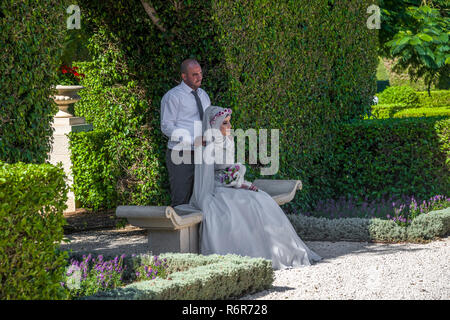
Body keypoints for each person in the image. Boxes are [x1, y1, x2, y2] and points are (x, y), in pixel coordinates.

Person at [175, 105, 322, 270]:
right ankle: (252, 254)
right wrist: (241, 183)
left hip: (233, 184)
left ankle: (281, 251)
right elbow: (214, 176)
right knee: (247, 205)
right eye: (225, 123)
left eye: (229, 122)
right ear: (215, 126)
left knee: (263, 199)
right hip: (219, 188)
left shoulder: (228, 140)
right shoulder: (206, 145)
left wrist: (242, 182)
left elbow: (231, 169)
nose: (230, 127)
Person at [161, 58, 211, 207]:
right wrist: (191, 140)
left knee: (202, 197)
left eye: (200, 73)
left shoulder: (204, 95)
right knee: (181, 198)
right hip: (181, 154)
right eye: (195, 74)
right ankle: (179, 231)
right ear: (184, 76)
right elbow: (166, 126)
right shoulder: (173, 97)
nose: (199, 77)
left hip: (202, 153)